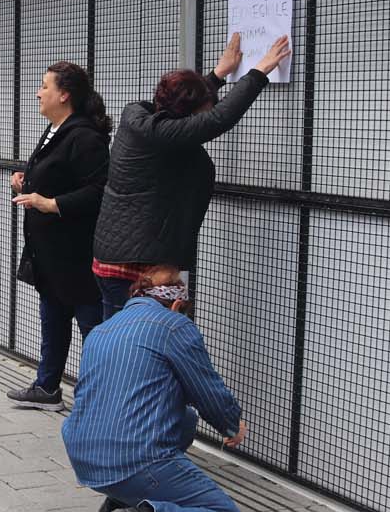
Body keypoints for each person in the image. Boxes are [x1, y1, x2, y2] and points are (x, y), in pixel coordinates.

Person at [61, 266, 248, 512]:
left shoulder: (102, 329)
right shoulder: (174, 326)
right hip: (136, 457)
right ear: (177, 304)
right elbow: (205, 387)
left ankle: (121, 497)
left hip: (83, 453)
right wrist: (231, 424)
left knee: (185, 419)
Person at [92, 33, 291, 319]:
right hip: (133, 266)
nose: (208, 109)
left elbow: (184, 114)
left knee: (126, 342)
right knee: (129, 347)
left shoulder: (144, 118)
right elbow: (215, 120)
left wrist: (218, 74)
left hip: (130, 257)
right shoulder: (158, 132)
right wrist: (258, 73)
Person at [6, 61, 112, 410]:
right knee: (52, 320)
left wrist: (50, 203)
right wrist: (26, 179)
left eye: (45, 86)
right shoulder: (57, 129)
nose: (38, 93)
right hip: (50, 255)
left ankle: (102, 400)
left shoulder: (84, 137)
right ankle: (47, 386)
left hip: (76, 257)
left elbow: (99, 191)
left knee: (92, 330)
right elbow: (58, 173)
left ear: (64, 94)